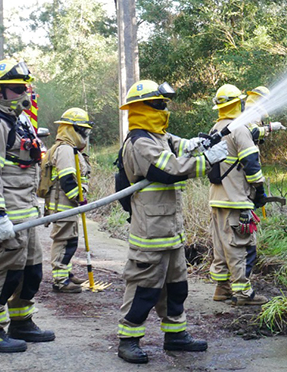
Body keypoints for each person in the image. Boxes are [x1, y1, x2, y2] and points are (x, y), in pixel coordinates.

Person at [115, 80, 228, 364]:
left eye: (164, 103)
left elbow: (179, 145)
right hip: (149, 234)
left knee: (176, 287)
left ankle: (175, 335)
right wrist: (207, 161)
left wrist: (198, 144)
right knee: (144, 288)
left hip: (171, 231)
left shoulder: (158, 136)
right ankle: (128, 339)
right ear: (143, 107)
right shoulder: (139, 141)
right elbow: (168, 170)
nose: (164, 108)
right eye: (159, 103)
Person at [0, 59, 52, 353]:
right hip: (4, 214)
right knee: (4, 273)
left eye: (25, 88)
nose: (24, 94)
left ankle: (21, 322)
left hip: (24, 212)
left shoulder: (18, 119)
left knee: (31, 271)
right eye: (17, 88)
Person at [207, 84, 269, 306]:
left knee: (222, 246)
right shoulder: (239, 129)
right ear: (238, 103)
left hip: (216, 198)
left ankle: (222, 288)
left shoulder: (216, 128)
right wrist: (259, 190)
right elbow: (251, 163)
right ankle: (242, 293)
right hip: (235, 199)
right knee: (241, 246)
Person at [44, 108, 93, 293]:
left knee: (70, 241)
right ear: (73, 129)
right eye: (83, 130)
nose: (85, 135)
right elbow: (67, 179)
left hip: (68, 206)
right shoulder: (65, 150)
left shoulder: (70, 149)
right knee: (63, 241)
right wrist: (80, 198)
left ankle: (66, 273)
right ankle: (60, 280)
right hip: (64, 206)